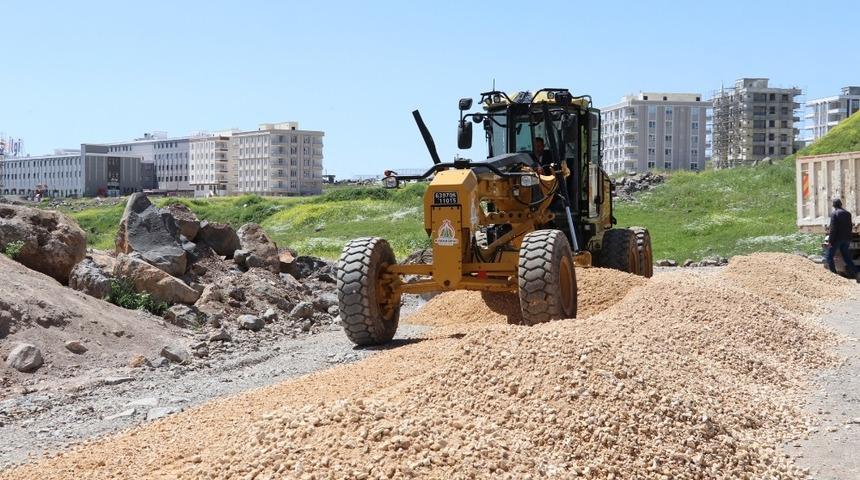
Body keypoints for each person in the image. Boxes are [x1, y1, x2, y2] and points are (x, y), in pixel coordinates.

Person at [826, 198, 859, 279]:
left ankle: (834, 276)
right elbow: (850, 226)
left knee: (829, 257)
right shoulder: (848, 213)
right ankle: (857, 272)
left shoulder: (834, 214)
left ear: (834, 206)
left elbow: (833, 229)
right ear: (841, 204)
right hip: (847, 239)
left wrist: (830, 241)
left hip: (837, 239)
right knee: (847, 258)